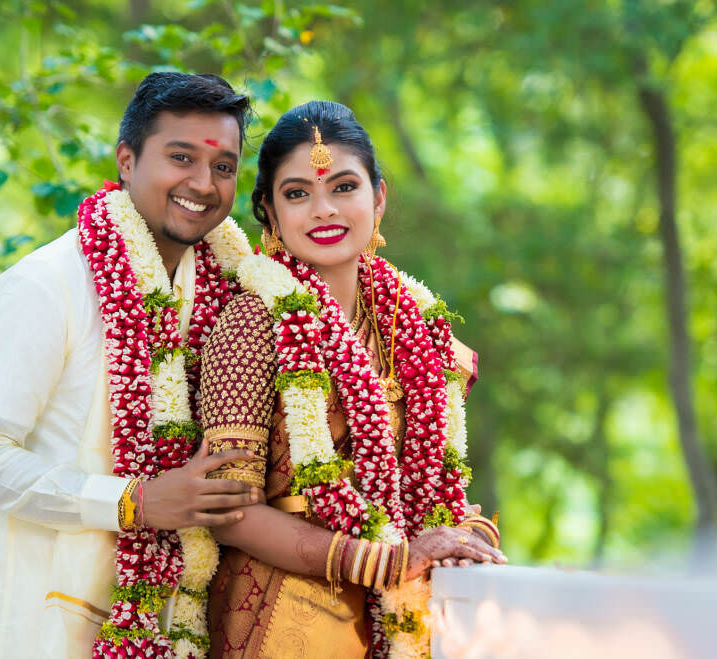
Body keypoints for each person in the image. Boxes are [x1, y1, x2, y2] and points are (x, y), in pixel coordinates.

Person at [0, 72, 261, 659]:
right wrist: (132, 503)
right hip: (49, 629)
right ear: (126, 160)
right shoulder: (44, 286)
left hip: (184, 626)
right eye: (180, 157)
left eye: (224, 167)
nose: (203, 183)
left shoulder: (227, 293)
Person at [198, 100, 506, 659]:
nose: (323, 210)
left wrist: (467, 538)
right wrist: (388, 561)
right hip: (283, 619)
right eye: (297, 194)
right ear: (268, 212)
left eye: (343, 187)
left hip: (409, 615)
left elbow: (434, 482)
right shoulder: (249, 324)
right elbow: (228, 511)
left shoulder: (414, 322)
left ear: (378, 198)